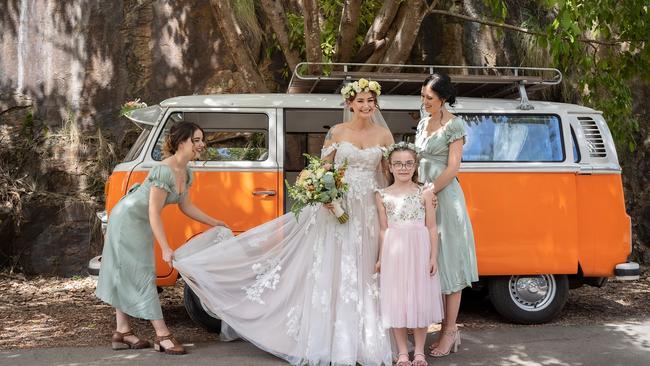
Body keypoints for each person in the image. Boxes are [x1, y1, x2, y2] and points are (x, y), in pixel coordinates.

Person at [173, 78, 395, 365]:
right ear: (349, 103)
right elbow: (323, 170)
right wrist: (324, 195)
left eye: (370, 100)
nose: (366, 106)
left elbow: (390, 175)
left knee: (364, 269)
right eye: (360, 100)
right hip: (334, 208)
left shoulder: (385, 136)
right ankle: (332, 340)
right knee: (334, 269)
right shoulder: (337, 133)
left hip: (367, 211)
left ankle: (363, 341)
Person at [95, 122, 227, 355]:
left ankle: (122, 332)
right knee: (142, 272)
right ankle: (162, 334)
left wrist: (214, 221)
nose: (201, 145)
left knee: (128, 271)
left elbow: (186, 206)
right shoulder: (163, 170)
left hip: (140, 220)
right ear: (181, 142)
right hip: (127, 220)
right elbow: (154, 211)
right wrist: (165, 248)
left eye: (201, 140)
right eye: (196, 140)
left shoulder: (185, 172)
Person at [414, 73, 478, 358]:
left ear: (443, 98)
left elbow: (453, 167)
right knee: (429, 263)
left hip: (446, 199)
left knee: (449, 264)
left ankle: (450, 330)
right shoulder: (423, 122)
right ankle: (438, 326)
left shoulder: (455, 125)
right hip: (422, 198)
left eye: (429, 97)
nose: (425, 102)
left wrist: (430, 191)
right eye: (423, 97)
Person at [375, 142, 444, 366]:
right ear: (390, 167)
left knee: (419, 299)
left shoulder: (425, 192)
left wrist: (433, 256)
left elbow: (432, 227)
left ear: (415, 166)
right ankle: (403, 352)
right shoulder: (382, 195)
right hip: (395, 251)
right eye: (398, 164)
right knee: (398, 301)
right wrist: (380, 257)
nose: (403, 168)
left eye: (408, 164)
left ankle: (420, 352)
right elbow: (383, 229)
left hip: (419, 249)